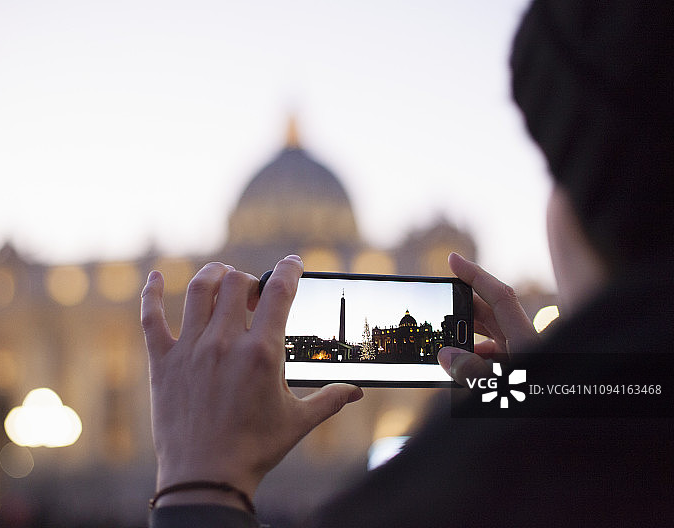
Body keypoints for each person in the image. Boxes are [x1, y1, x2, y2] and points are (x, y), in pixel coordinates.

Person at [141, 1, 674, 526]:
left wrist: (201, 481)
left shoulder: (480, 482)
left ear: (592, 203)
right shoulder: (631, 417)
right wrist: (552, 397)